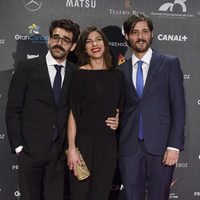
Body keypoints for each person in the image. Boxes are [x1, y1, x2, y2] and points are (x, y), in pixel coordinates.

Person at [5, 19, 118, 200]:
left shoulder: (77, 73)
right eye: (56, 37)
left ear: (72, 46)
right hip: (30, 152)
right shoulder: (27, 68)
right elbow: (12, 110)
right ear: (49, 40)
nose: (59, 43)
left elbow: (91, 106)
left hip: (59, 155)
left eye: (65, 40)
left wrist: (117, 116)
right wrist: (19, 147)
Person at [118, 13, 186, 200]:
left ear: (151, 34)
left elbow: (178, 107)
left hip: (162, 145)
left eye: (145, 31)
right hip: (129, 147)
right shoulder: (120, 70)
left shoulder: (169, 63)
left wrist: (174, 145)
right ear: (126, 36)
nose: (140, 37)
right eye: (134, 32)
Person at [67, 26, 124, 200]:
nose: (94, 44)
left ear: (105, 44)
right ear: (84, 48)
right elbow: (73, 114)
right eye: (89, 41)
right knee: (79, 194)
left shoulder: (117, 76)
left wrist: (117, 120)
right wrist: (71, 148)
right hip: (83, 144)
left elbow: (119, 108)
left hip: (108, 146)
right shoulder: (79, 75)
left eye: (98, 39)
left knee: (101, 194)